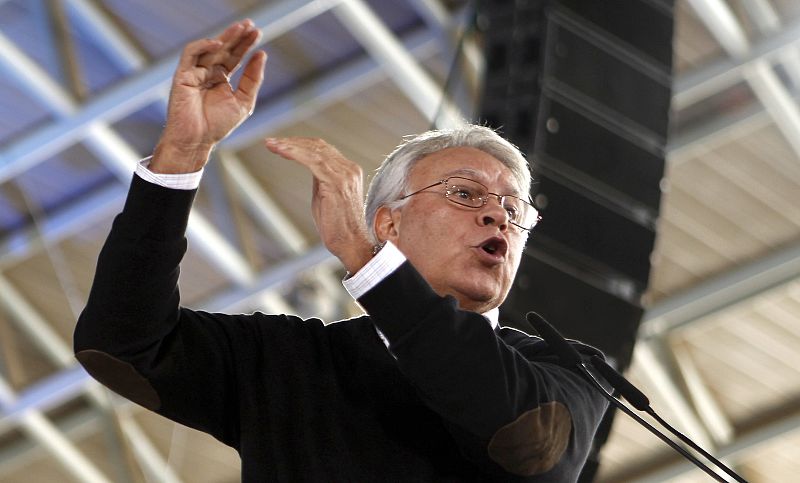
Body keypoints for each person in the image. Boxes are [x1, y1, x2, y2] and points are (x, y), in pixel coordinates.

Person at [74, 19, 607, 482]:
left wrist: (362, 254)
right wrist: (181, 153)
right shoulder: (286, 362)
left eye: (514, 210)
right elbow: (122, 343)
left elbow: (529, 445)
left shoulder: (565, 368)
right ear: (389, 225)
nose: (496, 215)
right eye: (464, 193)